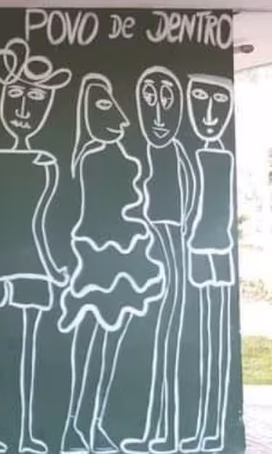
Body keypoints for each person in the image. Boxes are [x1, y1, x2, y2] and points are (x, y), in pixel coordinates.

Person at [0, 37, 70, 454]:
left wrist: (52, 266)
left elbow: (37, 224)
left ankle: (17, 434)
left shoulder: (41, 164)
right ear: (4, 100)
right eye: (16, 96)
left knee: (21, 351)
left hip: (19, 266)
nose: (23, 109)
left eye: (35, 100)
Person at [59, 73, 165, 454]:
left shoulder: (111, 156)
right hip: (99, 257)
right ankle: (78, 425)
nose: (118, 118)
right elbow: (96, 209)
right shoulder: (91, 159)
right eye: (103, 106)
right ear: (88, 113)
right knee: (93, 343)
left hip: (120, 257)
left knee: (104, 345)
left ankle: (89, 424)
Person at [122, 66, 197, 453]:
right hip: (153, 254)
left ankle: (167, 432)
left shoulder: (177, 153)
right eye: (148, 99)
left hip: (171, 253)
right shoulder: (140, 153)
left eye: (167, 100)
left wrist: (179, 237)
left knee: (169, 340)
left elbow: (193, 200)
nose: (158, 113)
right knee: (159, 340)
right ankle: (159, 431)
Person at [179, 73, 235, 453]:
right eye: (200, 99)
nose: (211, 114)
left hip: (221, 251)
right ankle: (203, 429)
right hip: (198, 250)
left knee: (219, 340)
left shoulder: (224, 157)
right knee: (202, 338)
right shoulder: (188, 156)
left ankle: (215, 427)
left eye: (220, 102)